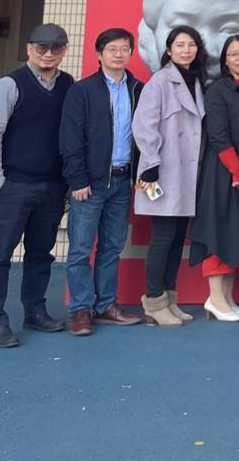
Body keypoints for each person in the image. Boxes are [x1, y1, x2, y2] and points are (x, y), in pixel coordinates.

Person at [0, 23, 75, 348]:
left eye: (55, 48)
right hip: (13, 186)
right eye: (41, 47)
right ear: (29, 49)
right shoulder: (7, 86)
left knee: (41, 254)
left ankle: (35, 311)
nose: (48, 54)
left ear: (64, 51)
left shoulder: (68, 85)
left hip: (52, 186)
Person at [59, 27, 143, 336]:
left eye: (124, 49)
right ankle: (80, 309)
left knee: (112, 246)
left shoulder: (137, 89)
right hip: (90, 185)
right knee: (81, 249)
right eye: (112, 49)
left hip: (122, 182)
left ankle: (106, 305)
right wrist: (78, 179)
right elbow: (70, 139)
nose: (118, 54)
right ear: (99, 54)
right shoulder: (82, 91)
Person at [133, 25, 208, 326]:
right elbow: (144, 124)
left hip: (185, 173)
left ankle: (169, 299)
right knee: (163, 237)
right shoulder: (160, 81)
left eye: (191, 44)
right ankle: (153, 301)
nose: (186, 50)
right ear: (168, 50)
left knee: (177, 238)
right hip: (161, 172)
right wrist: (151, 163)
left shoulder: (196, 81)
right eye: (180, 45)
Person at [189, 34, 239, 323]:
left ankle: (227, 297)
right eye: (234, 54)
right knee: (220, 231)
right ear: (225, 61)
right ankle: (215, 298)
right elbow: (218, 135)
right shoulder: (218, 91)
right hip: (224, 172)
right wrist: (237, 171)